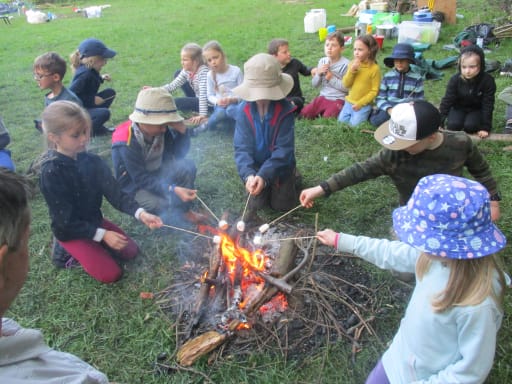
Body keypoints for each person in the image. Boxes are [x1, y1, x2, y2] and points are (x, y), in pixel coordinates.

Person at [316, 173, 508, 384]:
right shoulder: (433, 258)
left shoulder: (478, 305)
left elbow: (469, 373)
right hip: (398, 359)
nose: (417, 241)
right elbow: (390, 252)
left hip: (423, 376)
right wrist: (340, 240)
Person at [300, 100, 502, 221]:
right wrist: (321, 188)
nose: (398, 147)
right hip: (411, 210)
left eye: (406, 142)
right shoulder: (393, 154)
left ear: (431, 135)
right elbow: (361, 170)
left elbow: (482, 172)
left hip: (451, 209)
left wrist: (493, 202)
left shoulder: (460, 143)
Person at [0, 168, 110, 382]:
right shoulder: (59, 379)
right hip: (75, 232)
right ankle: (64, 253)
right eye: (26, 242)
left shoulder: (8, 329)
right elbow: (64, 224)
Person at [39, 101, 163, 284]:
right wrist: (102, 235)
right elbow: (65, 222)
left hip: (93, 221)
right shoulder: (51, 173)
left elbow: (116, 194)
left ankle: (94, 242)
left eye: (85, 131)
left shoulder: (93, 161)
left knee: (131, 251)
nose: (83, 139)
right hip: (70, 230)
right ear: (54, 138)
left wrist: (141, 213)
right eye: (75, 135)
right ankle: (63, 250)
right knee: (111, 274)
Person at [112, 87, 205, 224]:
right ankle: (168, 208)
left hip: (157, 170)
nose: (164, 128)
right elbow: (140, 178)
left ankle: (185, 211)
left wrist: (183, 132)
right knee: (162, 204)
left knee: (187, 166)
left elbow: (177, 155)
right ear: (144, 121)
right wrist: (171, 189)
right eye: (161, 124)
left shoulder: (161, 128)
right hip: (135, 184)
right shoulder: (126, 141)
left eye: (166, 124)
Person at [232, 53, 297, 219]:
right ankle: (261, 182)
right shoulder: (243, 111)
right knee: (256, 205)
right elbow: (241, 148)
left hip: (280, 166)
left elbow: (284, 150)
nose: (260, 98)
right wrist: (249, 174)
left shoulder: (285, 111)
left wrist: (265, 175)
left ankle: (292, 176)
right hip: (254, 167)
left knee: (282, 205)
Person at [439, 44, 496, 139]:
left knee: (471, 127)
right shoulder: (455, 80)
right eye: (464, 67)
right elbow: (447, 100)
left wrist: (485, 127)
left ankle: (475, 123)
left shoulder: (488, 81)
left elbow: (488, 104)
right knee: (453, 125)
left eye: (472, 67)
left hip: (477, 109)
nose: (467, 71)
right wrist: (439, 121)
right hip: (458, 107)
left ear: (480, 65)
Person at [69, 38, 117, 136]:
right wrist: (91, 100)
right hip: (77, 112)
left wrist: (101, 78)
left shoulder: (90, 70)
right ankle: (83, 133)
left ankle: (96, 127)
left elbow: (92, 80)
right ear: (91, 60)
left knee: (110, 93)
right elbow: (71, 96)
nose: (104, 63)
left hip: (86, 106)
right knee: (104, 113)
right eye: (102, 59)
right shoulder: (84, 74)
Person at [194, 40, 243, 135]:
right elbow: (210, 95)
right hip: (221, 105)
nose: (213, 62)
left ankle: (242, 126)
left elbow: (244, 93)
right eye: (209, 60)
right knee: (221, 113)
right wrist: (217, 101)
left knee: (230, 110)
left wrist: (233, 100)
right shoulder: (210, 75)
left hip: (236, 104)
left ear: (223, 55)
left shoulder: (236, 71)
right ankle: (209, 125)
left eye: (215, 57)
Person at [369, 43, 424, 127]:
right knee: (376, 121)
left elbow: (420, 99)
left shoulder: (417, 78)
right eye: (396, 59)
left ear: (409, 61)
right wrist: (389, 109)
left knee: (416, 123)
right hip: (391, 107)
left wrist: (414, 103)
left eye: (403, 59)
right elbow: (380, 98)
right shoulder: (387, 77)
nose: (399, 62)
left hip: (407, 108)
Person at [299, 31, 349, 119]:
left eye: (333, 45)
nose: (329, 48)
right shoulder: (322, 61)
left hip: (338, 99)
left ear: (341, 49)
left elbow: (347, 88)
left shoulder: (346, 65)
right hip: (323, 97)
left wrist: (331, 78)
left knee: (328, 117)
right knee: (304, 114)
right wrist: (318, 74)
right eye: (327, 45)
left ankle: (332, 111)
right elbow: (315, 85)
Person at [160, 43, 210, 127]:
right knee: (178, 73)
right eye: (181, 59)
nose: (182, 62)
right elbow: (172, 86)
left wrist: (202, 115)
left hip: (207, 102)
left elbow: (203, 96)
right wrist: (154, 91)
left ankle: (199, 111)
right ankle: (190, 101)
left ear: (195, 61)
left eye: (185, 60)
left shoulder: (204, 72)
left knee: (176, 102)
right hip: (197, 96)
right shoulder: (187, 70)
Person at [33, 51, 82, 132]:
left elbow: (77, 125)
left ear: (55, 77)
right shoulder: (49, 97)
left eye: (39, 76)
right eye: (35, 75)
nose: (36, 79)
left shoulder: (69, 100)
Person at [338, 35, 381, 127]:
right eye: (355, 49)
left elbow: (374, 91)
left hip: (363, 105)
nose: (356, 53)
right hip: (349, 102)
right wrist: (352, 71)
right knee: (341, 123)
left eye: (360, 50)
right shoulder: (352, 64)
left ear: (369, 51)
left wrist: (360, 103)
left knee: (354, 126)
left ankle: (369, 112)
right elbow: (346, 84)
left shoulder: (374, 69)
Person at [268, 38, 313, 114]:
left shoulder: (294, 63)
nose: (289, 53)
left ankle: (283, 111)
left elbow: (306, 70)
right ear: (274, 56)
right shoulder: (270, 70)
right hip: (278, 99)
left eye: (288, 50)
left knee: (296, 102)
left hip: (295, 98)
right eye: (285, 52)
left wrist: (313, 70)